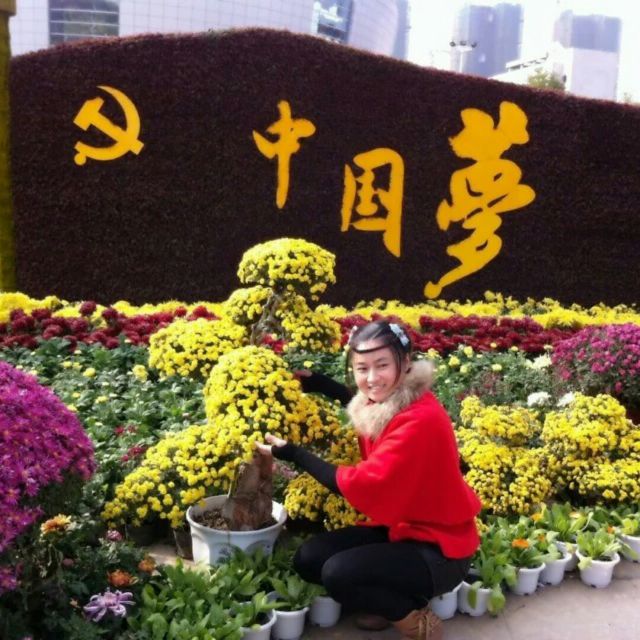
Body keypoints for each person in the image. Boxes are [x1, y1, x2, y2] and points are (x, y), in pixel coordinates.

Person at [256, 320, 481, 640]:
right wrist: (321, 383)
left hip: (439, 549)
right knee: (308, 559)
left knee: (338, 574)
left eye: (382, 365)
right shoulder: (397, 397)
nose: (371, 378)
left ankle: (413, 618)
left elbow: (362, 482)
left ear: (405, 362)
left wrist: (293, 453)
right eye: (362, 368)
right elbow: (372, 405)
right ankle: (388, 596)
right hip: (401, 527)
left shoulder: (421, 420)